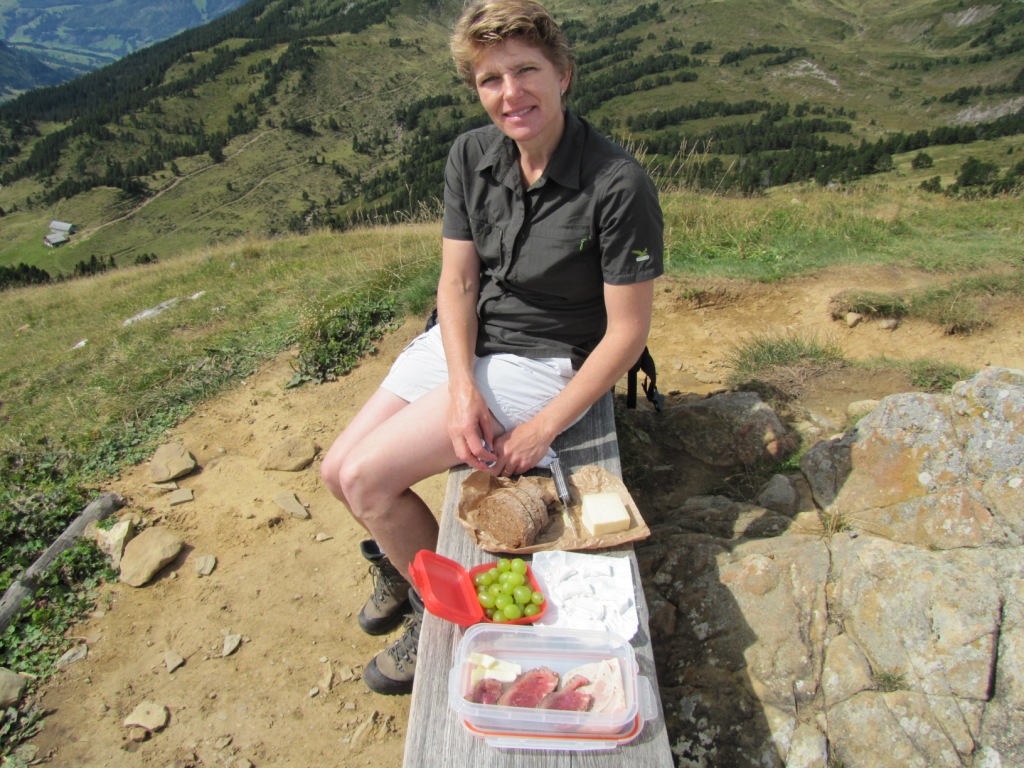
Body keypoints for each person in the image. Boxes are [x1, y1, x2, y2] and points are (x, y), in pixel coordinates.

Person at [319, 0, 663, 695]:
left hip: (542, 358)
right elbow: (458, 280)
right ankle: (404, 567)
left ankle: (445, 610)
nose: (511, 94)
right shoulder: (472, 155)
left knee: (367, 480)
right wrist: (461, 388)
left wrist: (541, 428)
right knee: (335, 471)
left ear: (564, 75)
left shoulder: (617, 184)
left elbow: (627, 332)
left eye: (526, 71)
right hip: (467, 340)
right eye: (490, 79)